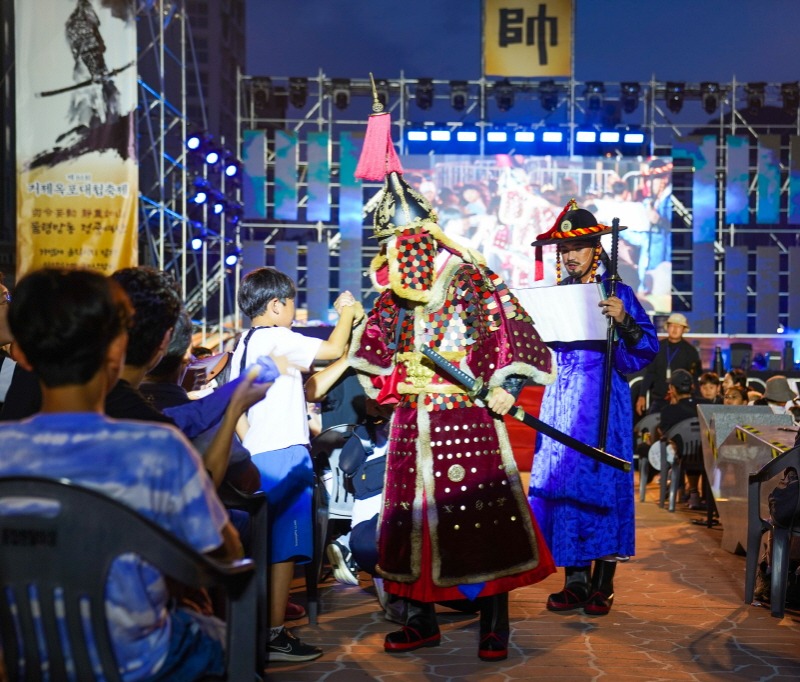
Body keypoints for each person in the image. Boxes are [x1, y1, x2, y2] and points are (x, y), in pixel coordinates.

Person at [348, 98, 557, 662]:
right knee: (408, 518)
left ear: (417, 237)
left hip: (466, 415)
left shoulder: (469, 276)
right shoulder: (394, 290)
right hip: (414, 419)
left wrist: (499, 385)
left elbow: (507, 333)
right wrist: (388, 381)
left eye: (398, 243)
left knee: (482, 518)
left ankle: (495, 623)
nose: (391, 256)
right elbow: (377, 353)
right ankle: (419, 618)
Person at [0, 268, 244, 681]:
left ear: (20, 352)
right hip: (138, 664)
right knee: (218, 635)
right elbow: (223, 556)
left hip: (27, 659)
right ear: (117, 350)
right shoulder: (158, 449)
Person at [528, 200, 658, 616]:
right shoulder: (556, 296)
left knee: (601, 483)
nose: (569, 255)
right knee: (565, 485)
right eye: (564, 249)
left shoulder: (618, 292)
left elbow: (642, 353)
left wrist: (626, 322)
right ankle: (574, 579)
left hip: (603, 399)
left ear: (596, 250)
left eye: (579, 246)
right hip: (560, 400)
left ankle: (603, 583)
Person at [228, 266, 362, 662]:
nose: (294, 312)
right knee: (285, 550)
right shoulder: (278, 337)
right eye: (291, 304)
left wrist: (350, 359)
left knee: (264, 545)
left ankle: (259, 625)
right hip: (285, 455)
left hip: (257, 454)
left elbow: (310, 388)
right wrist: (348, 315)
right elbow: (333, 349)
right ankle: (274, 635)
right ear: (274, 306)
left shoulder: (247, 342)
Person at [635, 312, 700, 415]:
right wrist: (642, 396)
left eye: (678, 326)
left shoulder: (691, 352)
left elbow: (694, 379)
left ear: (684, 329)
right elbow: (649, 374)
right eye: (672, 325)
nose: (674, 329)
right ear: (667, 327)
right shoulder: (657, 347)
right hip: (658, 399)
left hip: (681, 401)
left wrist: (696, 400)